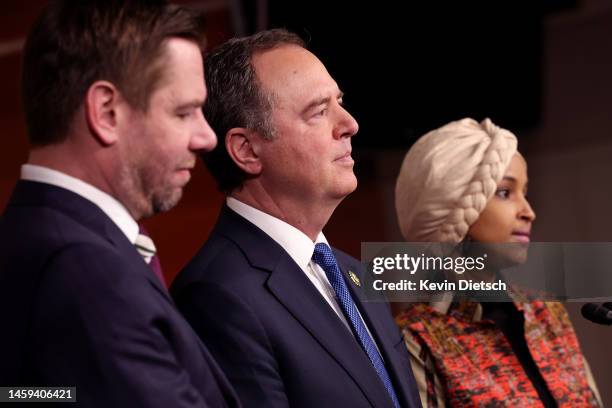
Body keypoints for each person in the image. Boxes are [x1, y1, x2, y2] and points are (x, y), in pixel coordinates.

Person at [0, 1, 240, 407]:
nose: (207, 138)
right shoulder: (85, 270)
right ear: (107, 112)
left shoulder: (35, 238)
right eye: (184, 112)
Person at [171, 29, 421, 408]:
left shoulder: (351, 272)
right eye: (318, 112)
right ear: (246, 149)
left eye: (340, 102)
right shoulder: (216, 295)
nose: (350, 124)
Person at [394, 118, 601, 407]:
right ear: (451, 206)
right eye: (505, 192)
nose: (529, 212)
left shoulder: (545, 311)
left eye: (525, 193)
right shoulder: (417, 339)